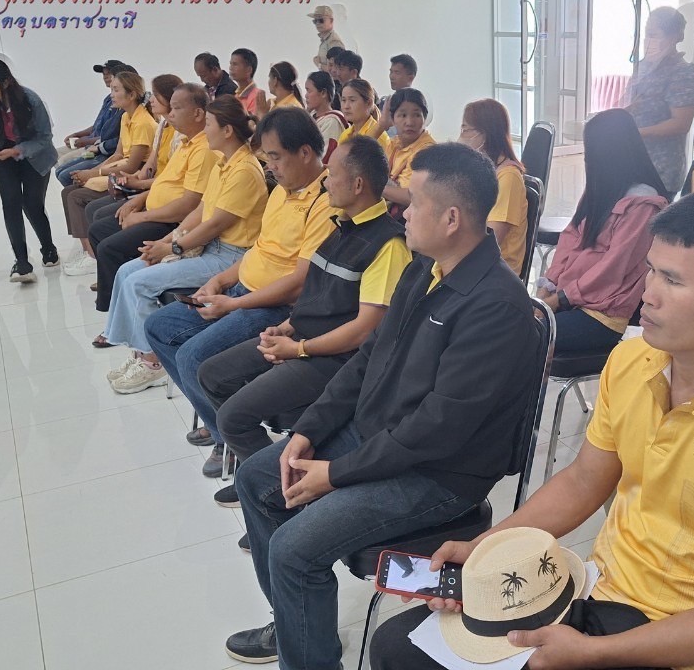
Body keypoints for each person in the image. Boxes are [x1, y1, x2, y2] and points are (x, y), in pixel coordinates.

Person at [370, 190, 694, 670]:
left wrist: (593, 654)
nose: (647, 294)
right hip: (602, 597)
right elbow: (583, 480)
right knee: (398, 646)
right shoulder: (633, 360)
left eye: (672, 280)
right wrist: (484, 550)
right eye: (651, 270)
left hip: (691, 646)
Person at [225, 142, 541, 668]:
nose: (403, 211)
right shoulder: (426, 268)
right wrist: (308, 430)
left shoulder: (496, 307)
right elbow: (369, 356)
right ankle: (296, 627)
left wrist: (335, 474)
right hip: (380, 437)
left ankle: (308, 656)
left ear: (452, 219)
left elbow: (437, 429)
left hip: (438, 473)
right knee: (257, 478)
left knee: (293, 550)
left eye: (414, 203)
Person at [197, 136, 411, 507]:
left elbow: (365, 331)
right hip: (303, 339)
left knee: (232, 417)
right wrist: (288, 327)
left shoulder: (388, 245)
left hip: (335, 360)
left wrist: (297, 349)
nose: (325, 180)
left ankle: (273, 492)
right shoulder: (340, 227)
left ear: (358, 185)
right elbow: (317, 294)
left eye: (333, 174)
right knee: (212, 374)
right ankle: (261, 472)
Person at [143, 107, 335, 477]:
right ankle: (221, 427)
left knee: (193, 357)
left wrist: (233, 304)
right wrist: (221, 281)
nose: (270, 167)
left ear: (305, 153)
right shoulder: (282, 192)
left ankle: (239, 448)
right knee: (159, 327)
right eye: (268, 158)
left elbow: (299, 283)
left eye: (276, 157)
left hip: (274, 307)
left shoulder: (324, 202)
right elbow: (259, 251)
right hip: (242, 290)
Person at [103, 96, 269, 393]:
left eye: (209, 124)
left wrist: (173, 249)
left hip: (230, 256)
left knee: (139, 283)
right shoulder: (224, 163)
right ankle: (141, 353)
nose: (205, 130)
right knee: (128, 270)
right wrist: (165, 241)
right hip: (211, 247)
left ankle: (154, 363)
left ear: (227, 130)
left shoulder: (245, 170)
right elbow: (201, 210)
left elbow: (215, 224)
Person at [538, 109, 667, 353]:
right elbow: (569, 239)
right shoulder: (600, 190)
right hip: (568, 300)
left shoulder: (644, 205)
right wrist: (548, 286)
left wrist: (559, 299)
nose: (588, 162)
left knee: (522, 336)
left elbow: (612, 268)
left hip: (601, 314)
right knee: (508, 323)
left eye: (592, 155)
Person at [88, 83, 211, 317]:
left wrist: (141, 217)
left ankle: (114, 310)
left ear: (198, 114)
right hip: (156, 209)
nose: (170, 114)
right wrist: (139, 200)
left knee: (109, 248)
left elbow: (188, 205)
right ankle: (115, 297)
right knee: (98, 228)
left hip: (172, 220)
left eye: (176, 108)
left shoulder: (203, 149)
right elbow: (164, 180)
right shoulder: (185, 143)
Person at [0, 57, 60, 283]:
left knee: (32, 203)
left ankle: (48, 248)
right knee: (10, 201)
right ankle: (21, 262)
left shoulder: (30, 100)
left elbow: (44, 138)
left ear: (5, 82)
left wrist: (17, 150)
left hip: (34, 155)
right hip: (1, 155)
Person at [61, 71, 157, 275]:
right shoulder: (126, 117)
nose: (111, 94)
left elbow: (132, 166)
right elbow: (118, 154)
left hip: (132, 174)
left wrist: (94, 174)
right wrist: (93, 172)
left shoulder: (143, 122)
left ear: (132, 94)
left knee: (78, 197)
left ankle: (93, 256)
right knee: (68, 189)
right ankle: (88, 250)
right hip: (121, 168)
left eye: (116, 89)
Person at [83, 74, 183, 229]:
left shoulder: (179, 134)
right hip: (152, 184)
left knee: (98, 215)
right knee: (94, 208)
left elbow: (170, 178)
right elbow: (150, 165)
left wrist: (139, 183)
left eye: (156, 95)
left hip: (162, 190)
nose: (151, 100)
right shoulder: (163, 127)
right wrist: (133, 179)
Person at [627, 6, 694, 195]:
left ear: (674, 37)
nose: (648, 40)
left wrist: (637, 133)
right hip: (632, 164)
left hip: (660, 169)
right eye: (646, 34)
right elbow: (633, 102)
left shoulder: (683, 74)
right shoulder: (643, 67)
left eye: (654, 35)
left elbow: (680, 124)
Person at [459, 98, 528, 274]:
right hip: (473, 261)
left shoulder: (508, 177)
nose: (461, 136)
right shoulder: (480, 171)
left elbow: (492, 238)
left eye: (466, 130)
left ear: (485, 134)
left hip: (496, 271)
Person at [55, 59, 126, 186]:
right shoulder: (109, 99)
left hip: (100, 149)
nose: (105, 77)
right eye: (103, 74)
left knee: (64, 171)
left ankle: (80, 189)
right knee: (56, 158)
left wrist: (88, 143)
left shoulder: (124, 110)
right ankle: (78, 189)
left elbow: (115, 143)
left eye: (109, 74)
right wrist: (78, 134)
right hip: (95, 145)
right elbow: (98, 125)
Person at [381, 89, 436, 217]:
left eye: (416, 115)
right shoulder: (393, 144)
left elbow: (415, 197)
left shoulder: (427, 151)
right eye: (403, 115)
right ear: (393, 119)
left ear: (424, 118)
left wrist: (376, 188)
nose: (410, 122)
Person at [304, 71, 347, 162]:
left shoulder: (332, 121)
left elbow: (326, 156)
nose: (306, 95)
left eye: (309, 91)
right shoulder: (311, 116)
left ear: (323, 93)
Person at [336, 79, 387, 150]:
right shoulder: (345, 134)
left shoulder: (379, 137)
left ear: (369, 103)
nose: (346, 106)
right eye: (343, 100)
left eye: (352, 100)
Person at [376, 54, 420, 136]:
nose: (391, 76)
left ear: (410, 78)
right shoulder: (385, 102)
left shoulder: (417, 103)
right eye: (391, 72)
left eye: (397, 72)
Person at [228, 48, 269, 118]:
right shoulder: (237, 95)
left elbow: (253, 122)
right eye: (230, 64)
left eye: (235, 64)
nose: (230, 68)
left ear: (249, 70)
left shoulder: (257, 96)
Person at [308, 5, 345, 70]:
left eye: (321, 20)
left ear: (331, 21)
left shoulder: (334, 41)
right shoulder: (326, 40)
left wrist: (319, 64)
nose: (317, 23)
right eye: (315, 21)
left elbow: (337, 70)